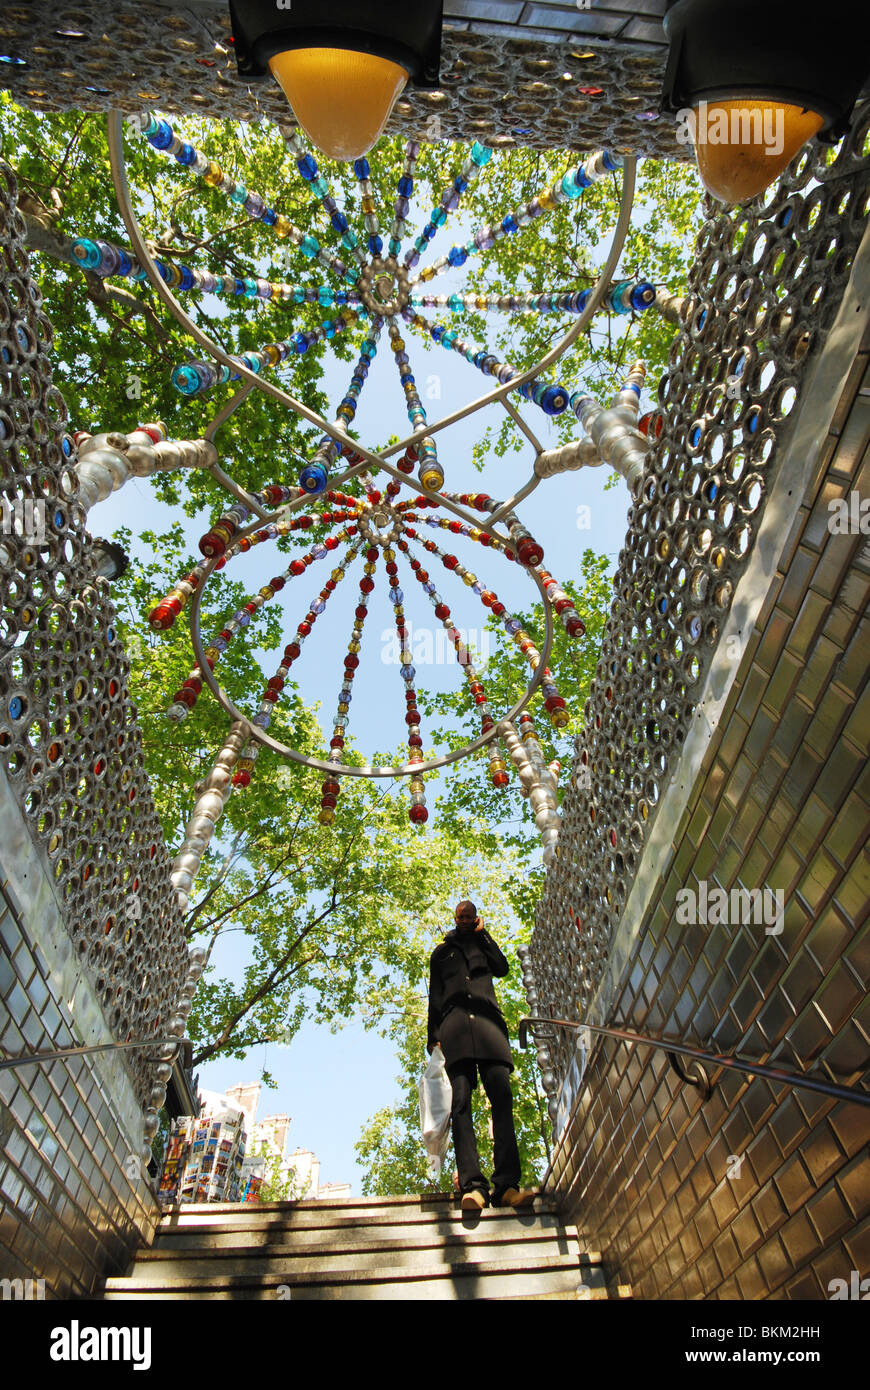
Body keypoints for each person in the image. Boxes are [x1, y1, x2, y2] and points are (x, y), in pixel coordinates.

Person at [427, 899, 536, 1212]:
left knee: (501, 1097)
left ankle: (507, 1186)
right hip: (455, 1031)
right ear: (454, 918)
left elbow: (502, 968)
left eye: (470, 917)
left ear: (476, 919)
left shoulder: (483, 945)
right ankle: (474, 1186)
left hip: (489, 1028)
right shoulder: (441, 954)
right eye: (460, 916)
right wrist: (433, 1039)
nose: (464, 920)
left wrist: (484, 936)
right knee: (460, 1103)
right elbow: (434, 998)